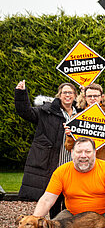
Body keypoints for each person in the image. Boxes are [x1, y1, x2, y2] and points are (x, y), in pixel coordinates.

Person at [33, 137, 105, 228]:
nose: (83, 155)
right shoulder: (61, 171)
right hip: (73, 214)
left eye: (88, 151)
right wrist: (34, 222)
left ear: (95, 153)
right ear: (72, 153)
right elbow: (46, 200)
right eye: (79, 152)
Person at [15, 80, 78, 218]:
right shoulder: (47, 111)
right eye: (64, 92)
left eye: (70, 92)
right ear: (59, 95)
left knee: (72, 199)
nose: (67, 95)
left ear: (75, 95)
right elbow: (25, 112)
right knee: (54, 199)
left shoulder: (81, 113)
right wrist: (21, 94)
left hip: (74, 164)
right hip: (54, 163)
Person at [64, 83, 105, 167]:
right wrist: (70, 136)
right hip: (83, 165)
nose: (92, 98)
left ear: (101, 97)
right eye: (89, 96)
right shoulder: (77, 118)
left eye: (95, 96)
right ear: (85, 98)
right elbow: (68, 147)